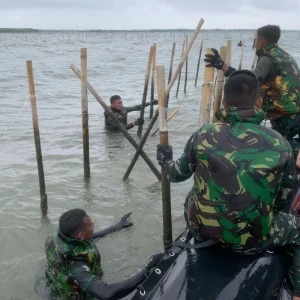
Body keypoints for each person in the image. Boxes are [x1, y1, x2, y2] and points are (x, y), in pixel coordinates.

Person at [156, 70, 300, 299]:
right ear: (259, 101)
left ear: (224, 102)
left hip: (202, 233)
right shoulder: (280, 143)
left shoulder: (203, 134)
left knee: (190, 197)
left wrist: (164, 160)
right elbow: (286, 196)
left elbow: (176, 174)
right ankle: (296, 291)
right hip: (253, 242)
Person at [204, 25, 300, 158]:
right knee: (285, 147)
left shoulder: (268, 58)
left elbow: (249, 82)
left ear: (261, 41)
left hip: (285, 114)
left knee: (281, 151)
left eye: (255, 40)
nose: (254, 44)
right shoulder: (284, 55)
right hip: (294, 111)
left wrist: (222, 66)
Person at [45, 209, 162, 299]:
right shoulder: (75, 265)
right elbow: (106, 293)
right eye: (91, 225)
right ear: (80, 234)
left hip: (56, 280)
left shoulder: (61, 234)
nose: (94, 224)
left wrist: (116, 227)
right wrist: (145, 272)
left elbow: (87, 239)